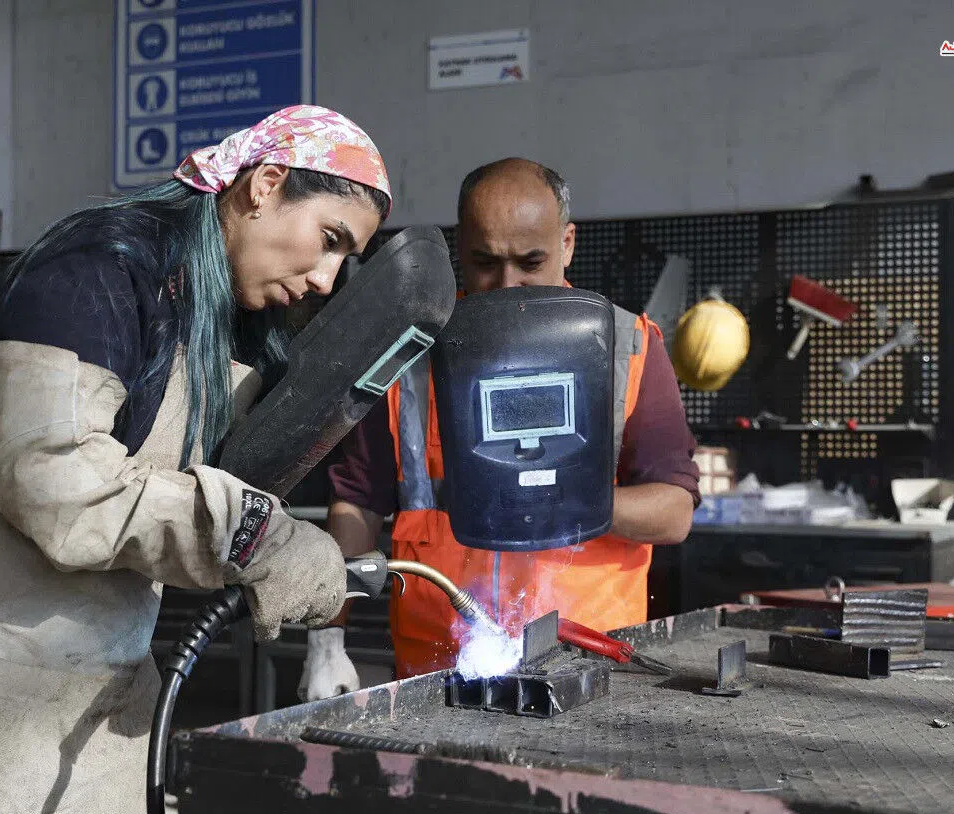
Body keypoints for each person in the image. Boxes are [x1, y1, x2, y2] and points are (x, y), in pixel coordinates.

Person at [0, 105, 391, 814]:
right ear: (266, 184)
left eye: (345, 261)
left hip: (99, 665)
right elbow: (50, 478)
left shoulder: (231, 324)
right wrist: (250, 536)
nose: (326, 278)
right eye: (329, 241)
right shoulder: (101, 264)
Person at [299, 157, 698, 699]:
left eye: (530, 261)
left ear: (568, 243)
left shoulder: (630, 346)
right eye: (485, 263)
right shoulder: (408, 355)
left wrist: (565, 498)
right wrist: (327, 639)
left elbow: (673, 513)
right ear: (459, 249)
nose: (507, 285)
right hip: (439, 671)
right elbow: (357, 504)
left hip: (591, 673)